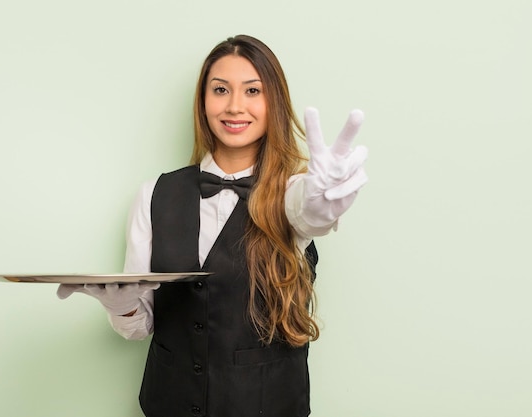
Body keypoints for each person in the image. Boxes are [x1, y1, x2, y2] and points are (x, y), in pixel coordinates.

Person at [57, 34, 368, 417]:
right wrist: (122, 307)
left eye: (253, 90)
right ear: (203, 102)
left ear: (274, 102)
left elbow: (310, 215)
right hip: (165, 404)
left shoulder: (294, 191)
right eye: (220, 89)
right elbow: (139, 328)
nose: (235, 106)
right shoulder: (154, 193)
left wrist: (322, 206)